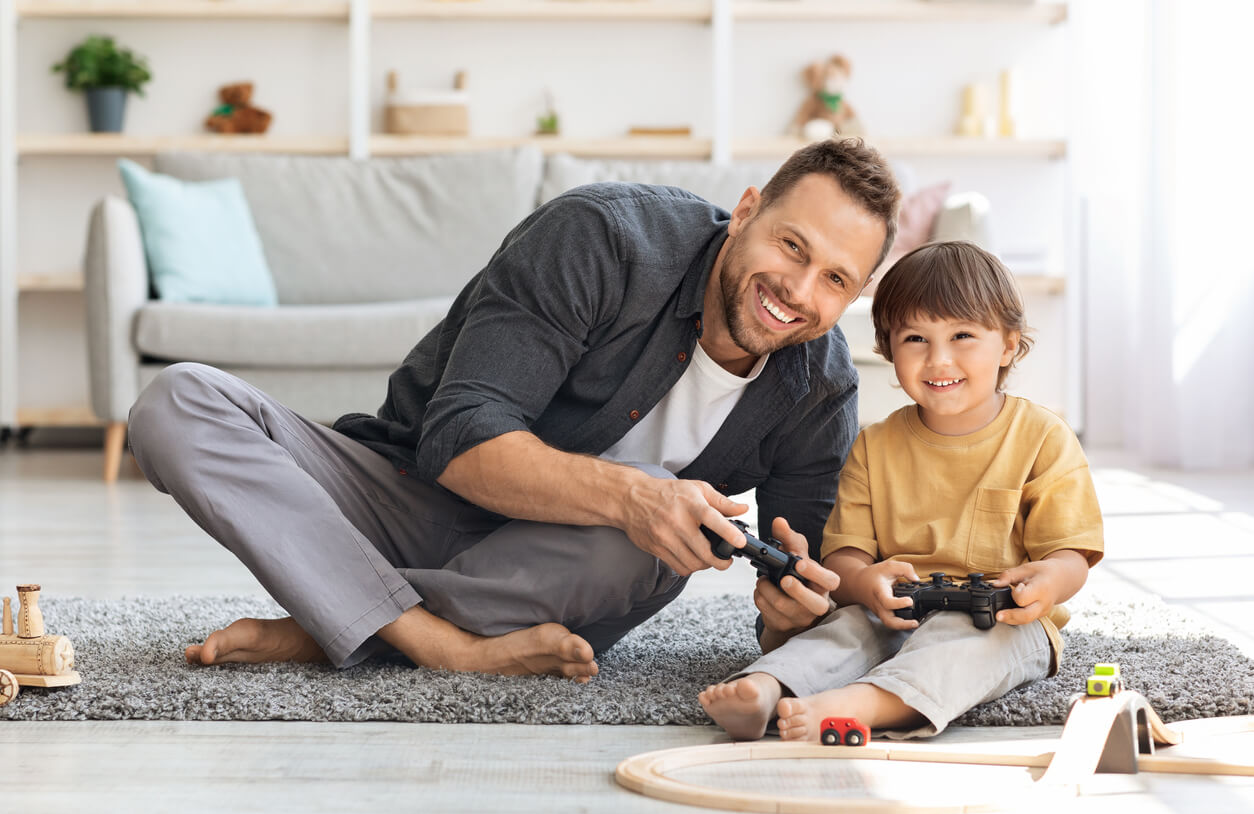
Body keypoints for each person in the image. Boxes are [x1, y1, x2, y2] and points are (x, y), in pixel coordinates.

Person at [125, 138, 901, 681]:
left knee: (654, 552)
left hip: (559, 566)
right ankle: (437, 640)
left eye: (836, 279)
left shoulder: (820, 385)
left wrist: (789, 612)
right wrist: (638, 496)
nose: (798, 291)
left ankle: (336, 612)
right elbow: (460, 438)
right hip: (404, 493)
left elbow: (802, 584)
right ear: (746, 211)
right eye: (792, 247)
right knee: (178, 401)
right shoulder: (605, 237)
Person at [699, 240, 1104, 739]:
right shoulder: (874, 445)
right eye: (915, 339)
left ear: (1008, 345)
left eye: (962, 336)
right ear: (888, 348)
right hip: (893, 611)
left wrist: (1048, 584)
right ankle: (765, 688)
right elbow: (845, 559)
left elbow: (1070, 554)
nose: (938, 360)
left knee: (967, 651)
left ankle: (863, 705)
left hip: (998, 617)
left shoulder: (1043, 437)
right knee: (843, 632)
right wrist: (866, 586)